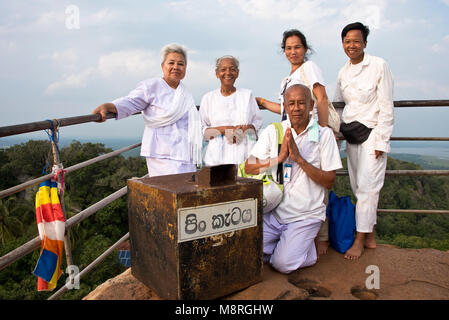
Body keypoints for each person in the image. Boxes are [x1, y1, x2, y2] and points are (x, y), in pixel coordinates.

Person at [244, 84, 342, 274]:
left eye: (301, 103)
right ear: (285, 107)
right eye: (291, 103)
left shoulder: (324, 135)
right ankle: (291, 246)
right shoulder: (274, 131)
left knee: (282, 265)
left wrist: (298, 159)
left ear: (311, 104)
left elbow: (329, 181)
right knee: (246, 248)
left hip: (305, 215)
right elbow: (249, 166)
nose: (296, 108)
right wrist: (278, 159)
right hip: (274, 212)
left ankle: (304, 252)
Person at [255, 29, 335, 255]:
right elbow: (284, 109)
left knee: (315, 186)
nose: (293, 52)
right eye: (288, 48)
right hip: (289, 131)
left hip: (309, 131)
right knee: (293, 184)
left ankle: (320, 241)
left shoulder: (309, 68)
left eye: (297, 47)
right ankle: (298, 240)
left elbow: (321, 98)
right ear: (284, 51)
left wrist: (321, 131)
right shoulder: (287, 79)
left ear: (306, 49)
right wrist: (261, 101)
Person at [92, 43, 202, 177]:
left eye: (181, 64)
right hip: (162, 153)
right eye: (171, 63)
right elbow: (131, 101)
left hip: (185, 152)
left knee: (186, 192)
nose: (175, 67)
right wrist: (109, 106)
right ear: (163, 66)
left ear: (185, 68)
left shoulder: (185, 92)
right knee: (169, 191)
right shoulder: (152, 86)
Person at [334, 22, 394, 260]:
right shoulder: (343, 72)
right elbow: (339, 106)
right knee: (359, 187)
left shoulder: (379, 66)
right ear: (343, 44)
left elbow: (386, 106)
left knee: (369, 188)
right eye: (347, 41)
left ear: (365, 43)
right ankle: (369, 235)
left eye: (356, 41)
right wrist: (336, 135)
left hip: (372, 134)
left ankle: (359, 240)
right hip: (351, 135)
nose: (352, 45)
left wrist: (381, 142)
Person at [200, 55, 263, 166]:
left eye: (232, 69)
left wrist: (244, 129)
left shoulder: (247, 95)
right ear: (217, 73)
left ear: (237, 73)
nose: (228, 73)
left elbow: (257, 124)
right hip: (215, 160)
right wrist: (224, 129)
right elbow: (202, 131)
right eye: (223, 69)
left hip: (243, 157)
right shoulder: (208, 98)